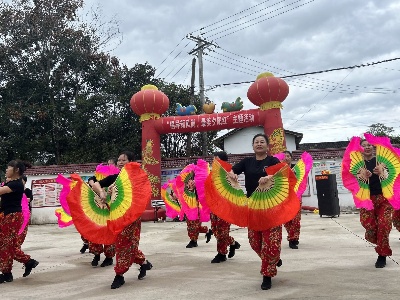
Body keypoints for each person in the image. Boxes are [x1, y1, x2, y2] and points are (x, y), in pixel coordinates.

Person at [228, 133, 282, 290]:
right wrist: (232, 174)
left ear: (267, 145)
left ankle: (267, 274)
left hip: (271, 205)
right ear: (253, 146)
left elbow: (280, 174)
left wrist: (269, 177)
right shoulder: (247, 162)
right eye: (256, 142)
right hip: (252, 206)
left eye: (262, 142)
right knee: (254, 241)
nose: (259, 144)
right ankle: (273, 260)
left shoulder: (272, 161)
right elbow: (234, 170)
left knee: (270, 242)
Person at [91, 151, 152, 289]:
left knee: (124, 244)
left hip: (132, 217)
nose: (119, 162)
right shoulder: (114, 177)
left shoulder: (136, 177)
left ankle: (119, 275)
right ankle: (143, 263)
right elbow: (93, 182)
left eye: (123, 160)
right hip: (117, 216)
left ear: (131, 161)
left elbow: (142, 195)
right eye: (118, 160)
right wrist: (102, 192)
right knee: (124, 244)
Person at [0, 160, 39, 283]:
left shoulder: (16, 184)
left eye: (9, 167)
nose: (6, 170)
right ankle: (28, 262)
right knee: (8, 245)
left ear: (16, 170)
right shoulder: (11, 182)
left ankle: (7, 274)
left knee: (5, 245)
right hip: (8, 215)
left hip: (12, 216)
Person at [359, 139, 393, 268]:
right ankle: (379, 241)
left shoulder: (382, 161)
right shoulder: (356, 164)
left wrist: (383, 173)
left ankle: (382, 255)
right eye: (364, 145)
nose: (367, 147)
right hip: (366, 198)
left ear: (373, 148)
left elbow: (393, 176)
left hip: (384, 198)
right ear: (360, 148)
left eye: (369, 145)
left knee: (384, 225)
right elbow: (350, 181)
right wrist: (361, 175)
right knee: (369, 225)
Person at [209, 151, 241, 263]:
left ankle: (221, 254)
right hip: (214, 206)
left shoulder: (229, 173)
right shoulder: (212, 174)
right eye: (214, 159)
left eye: (216, 159)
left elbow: (236, 190)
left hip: (225, 207)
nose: (214, 161)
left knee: (222, 231)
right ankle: (232, 243)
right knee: (215, 230)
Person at [184, 175, 211, 248]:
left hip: (197, 206)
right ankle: (207, 231)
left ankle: (193, 241)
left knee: (194, 225)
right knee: (190, 226)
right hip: (188, 207)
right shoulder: (186, 181)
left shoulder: (199, 182)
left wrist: (196, 185)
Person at [282, 151, 301, 249]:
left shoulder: (297, 169)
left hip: (296, 196)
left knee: (296, 219)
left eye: (288, 156)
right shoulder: (280, 170)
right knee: (286, 219)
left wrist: (295, 174)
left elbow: (302, 180)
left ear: (291, 158)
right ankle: (292, 235)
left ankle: (293, 239)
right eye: (284, 156)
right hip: (284, 197)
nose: (286, 158)